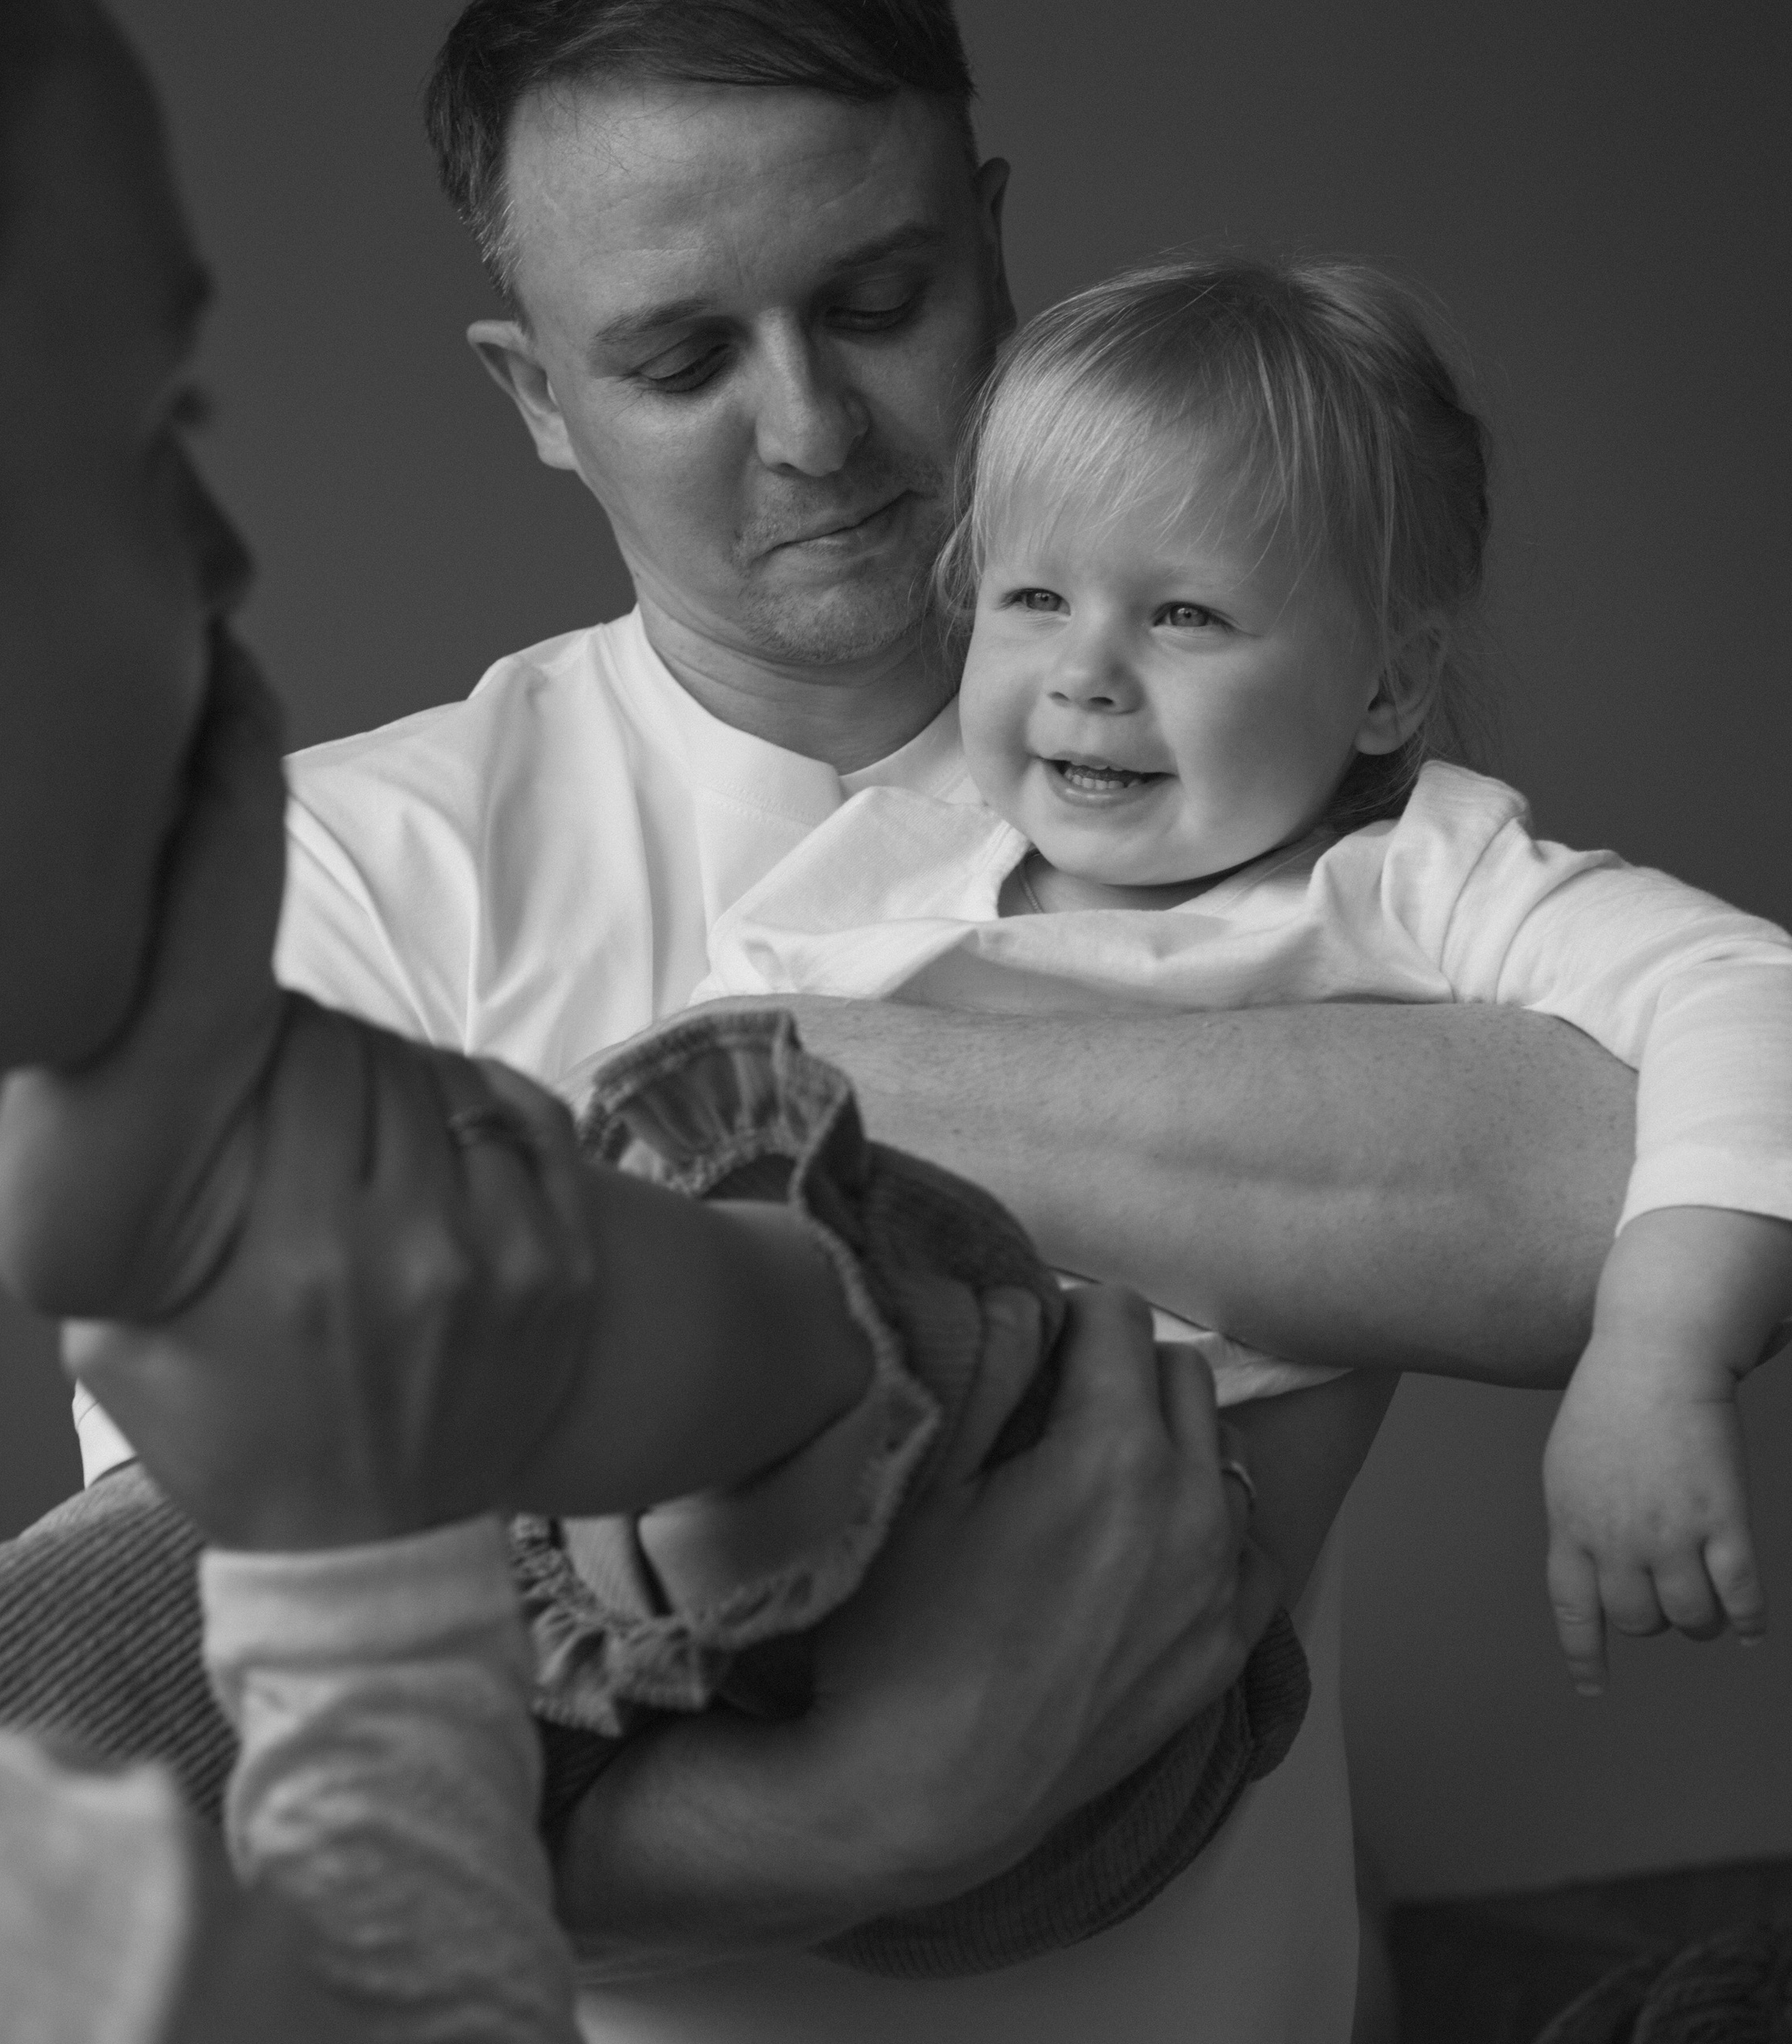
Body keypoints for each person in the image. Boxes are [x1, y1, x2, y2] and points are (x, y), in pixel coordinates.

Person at [211, 2, 1634, 2038]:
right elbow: (254, 1708)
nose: (809, 431)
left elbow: (1605, 1184)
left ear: (990, 251)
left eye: (877, 300)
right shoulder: (338, 867)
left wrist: (800, 1076)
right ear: (535, 393)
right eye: (680, 358)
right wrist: (859, 1814)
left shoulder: (1229, 743)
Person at [697, 252, 1790, 1696]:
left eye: (1185, 616)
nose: (1087, 672)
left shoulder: (1409, 877)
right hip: (781, 1538)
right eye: (1031, 596)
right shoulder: (887, 868)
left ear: (1388, 687)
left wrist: (1659, 1357)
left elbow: (1740, 983)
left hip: (1110, 1614)